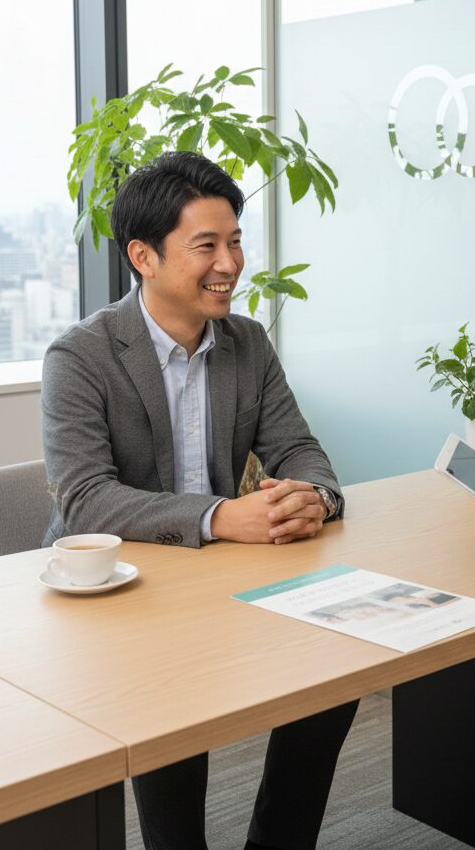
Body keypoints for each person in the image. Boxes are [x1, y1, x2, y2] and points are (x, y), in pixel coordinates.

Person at [41, 151, 357, 850]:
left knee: (334, 673)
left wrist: (315, 497)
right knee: (171, 720)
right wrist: (220, 516)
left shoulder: (248, 342)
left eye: (236, 241)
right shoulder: (80, 357)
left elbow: (300, 451)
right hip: (122, 601)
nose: (231, 263)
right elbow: (87, 501)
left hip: (219, 581)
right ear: (143, 257)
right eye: (207, 246)